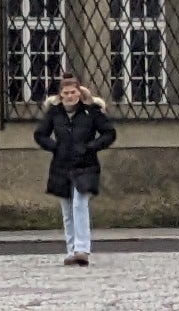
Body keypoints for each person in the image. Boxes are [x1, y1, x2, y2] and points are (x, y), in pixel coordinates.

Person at [35, 75, 118, 266]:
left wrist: (91, 147)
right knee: (67, 209)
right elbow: (40, 134)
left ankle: (82, 249)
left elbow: (109, 133)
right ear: (60, 95)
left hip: (86, 164)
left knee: (79, 204)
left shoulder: (91, 112)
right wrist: (55, 147)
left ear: (79, 93)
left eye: (73, 92)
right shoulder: (54, 114)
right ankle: (71, 249)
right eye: (66, 93)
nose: (70, 96)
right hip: (61, 165)